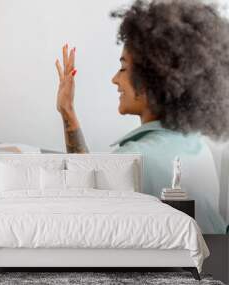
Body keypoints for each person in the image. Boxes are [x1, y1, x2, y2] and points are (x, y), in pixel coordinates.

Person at [55, 0, 229, 233]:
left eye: (123, 68)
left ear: (151, 80)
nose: (114, 79)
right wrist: (68, 111)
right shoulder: (195, 145)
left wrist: (66, 113)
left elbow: (84, 200)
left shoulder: (134, 161)